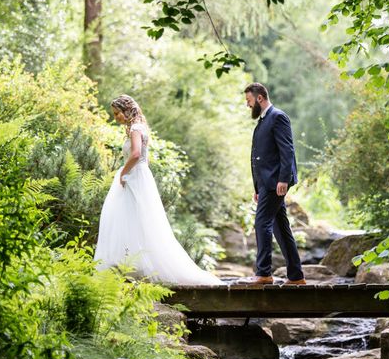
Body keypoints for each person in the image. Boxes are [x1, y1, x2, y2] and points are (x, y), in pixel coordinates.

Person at [94, 94, 222, 285]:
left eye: (117, 113)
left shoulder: (135, 128)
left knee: (131, 218)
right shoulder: (139, 127)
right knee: (136, 220)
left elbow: (136, 154)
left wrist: (123, 173)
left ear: (126, 110)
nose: (116, 117)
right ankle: (132, 263)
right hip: (140, 176)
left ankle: (131, 265)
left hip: (135, 175)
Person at [240, 83, 306, 285]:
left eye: (249, 101)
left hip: (276, 182)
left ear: (259, 98)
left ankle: (264, 273)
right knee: (280, 227)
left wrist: (283, 179)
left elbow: (287, 151)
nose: (248, 105)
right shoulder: (262, 121)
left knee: (262, 223)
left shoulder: (278, 117)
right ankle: (296, 276)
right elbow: (259, 158)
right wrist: (257, 188)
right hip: (266, 184)